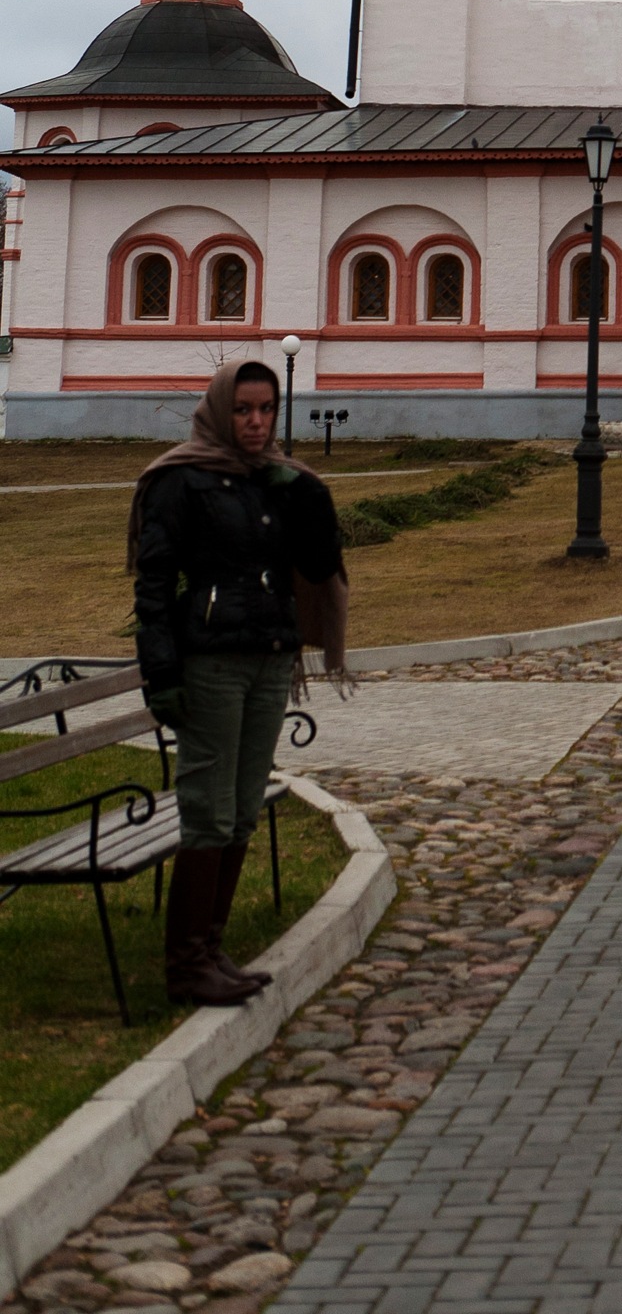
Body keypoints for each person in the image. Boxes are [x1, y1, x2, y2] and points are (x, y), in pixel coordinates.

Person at [129, 358, 349, 1007]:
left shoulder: (278, 482)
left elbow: (318, 564)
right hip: (210, 663)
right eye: (243, 410)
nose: (255, 423)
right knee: (209, 808)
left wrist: (306, 492)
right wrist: (160, 671)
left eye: (266, 410)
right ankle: (184, 964)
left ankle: (211, 950)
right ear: (221, 409)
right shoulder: (181, 480)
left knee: (244, 805)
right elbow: (154, 584)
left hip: (269, 655)